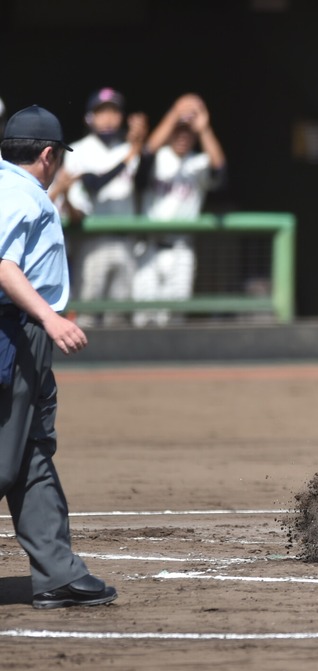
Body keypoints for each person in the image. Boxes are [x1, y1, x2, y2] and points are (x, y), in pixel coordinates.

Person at [0, 105, 117, 609]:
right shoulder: (19, 193)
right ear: (48, 154)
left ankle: (58, 573)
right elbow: (4, 267)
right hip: (14, 330)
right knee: (5, 459)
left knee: (31, 452)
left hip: (25, 332)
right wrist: (49, 318)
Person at [132, 93, 227, 327]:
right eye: (178, 130)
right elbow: (145, 155)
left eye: (188, 131)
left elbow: (221, 172)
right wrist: (175, 114)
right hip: (148, 247)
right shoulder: (158, 157)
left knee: (174, 319)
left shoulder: (200, 162)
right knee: (142, 318)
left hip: (181, 249)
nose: (183, 136)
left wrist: (204, 129)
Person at [64, 87, 148, 327]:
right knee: (86, 315)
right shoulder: (78, 149)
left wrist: (141, 144)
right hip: (93, 242)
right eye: (102, 111)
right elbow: (94, 184)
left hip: (125, 242)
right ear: (90, 117)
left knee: (119, 318)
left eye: (114, 111)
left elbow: (146, 180)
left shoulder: (129, 149)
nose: (108, 117)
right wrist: (132, 153)